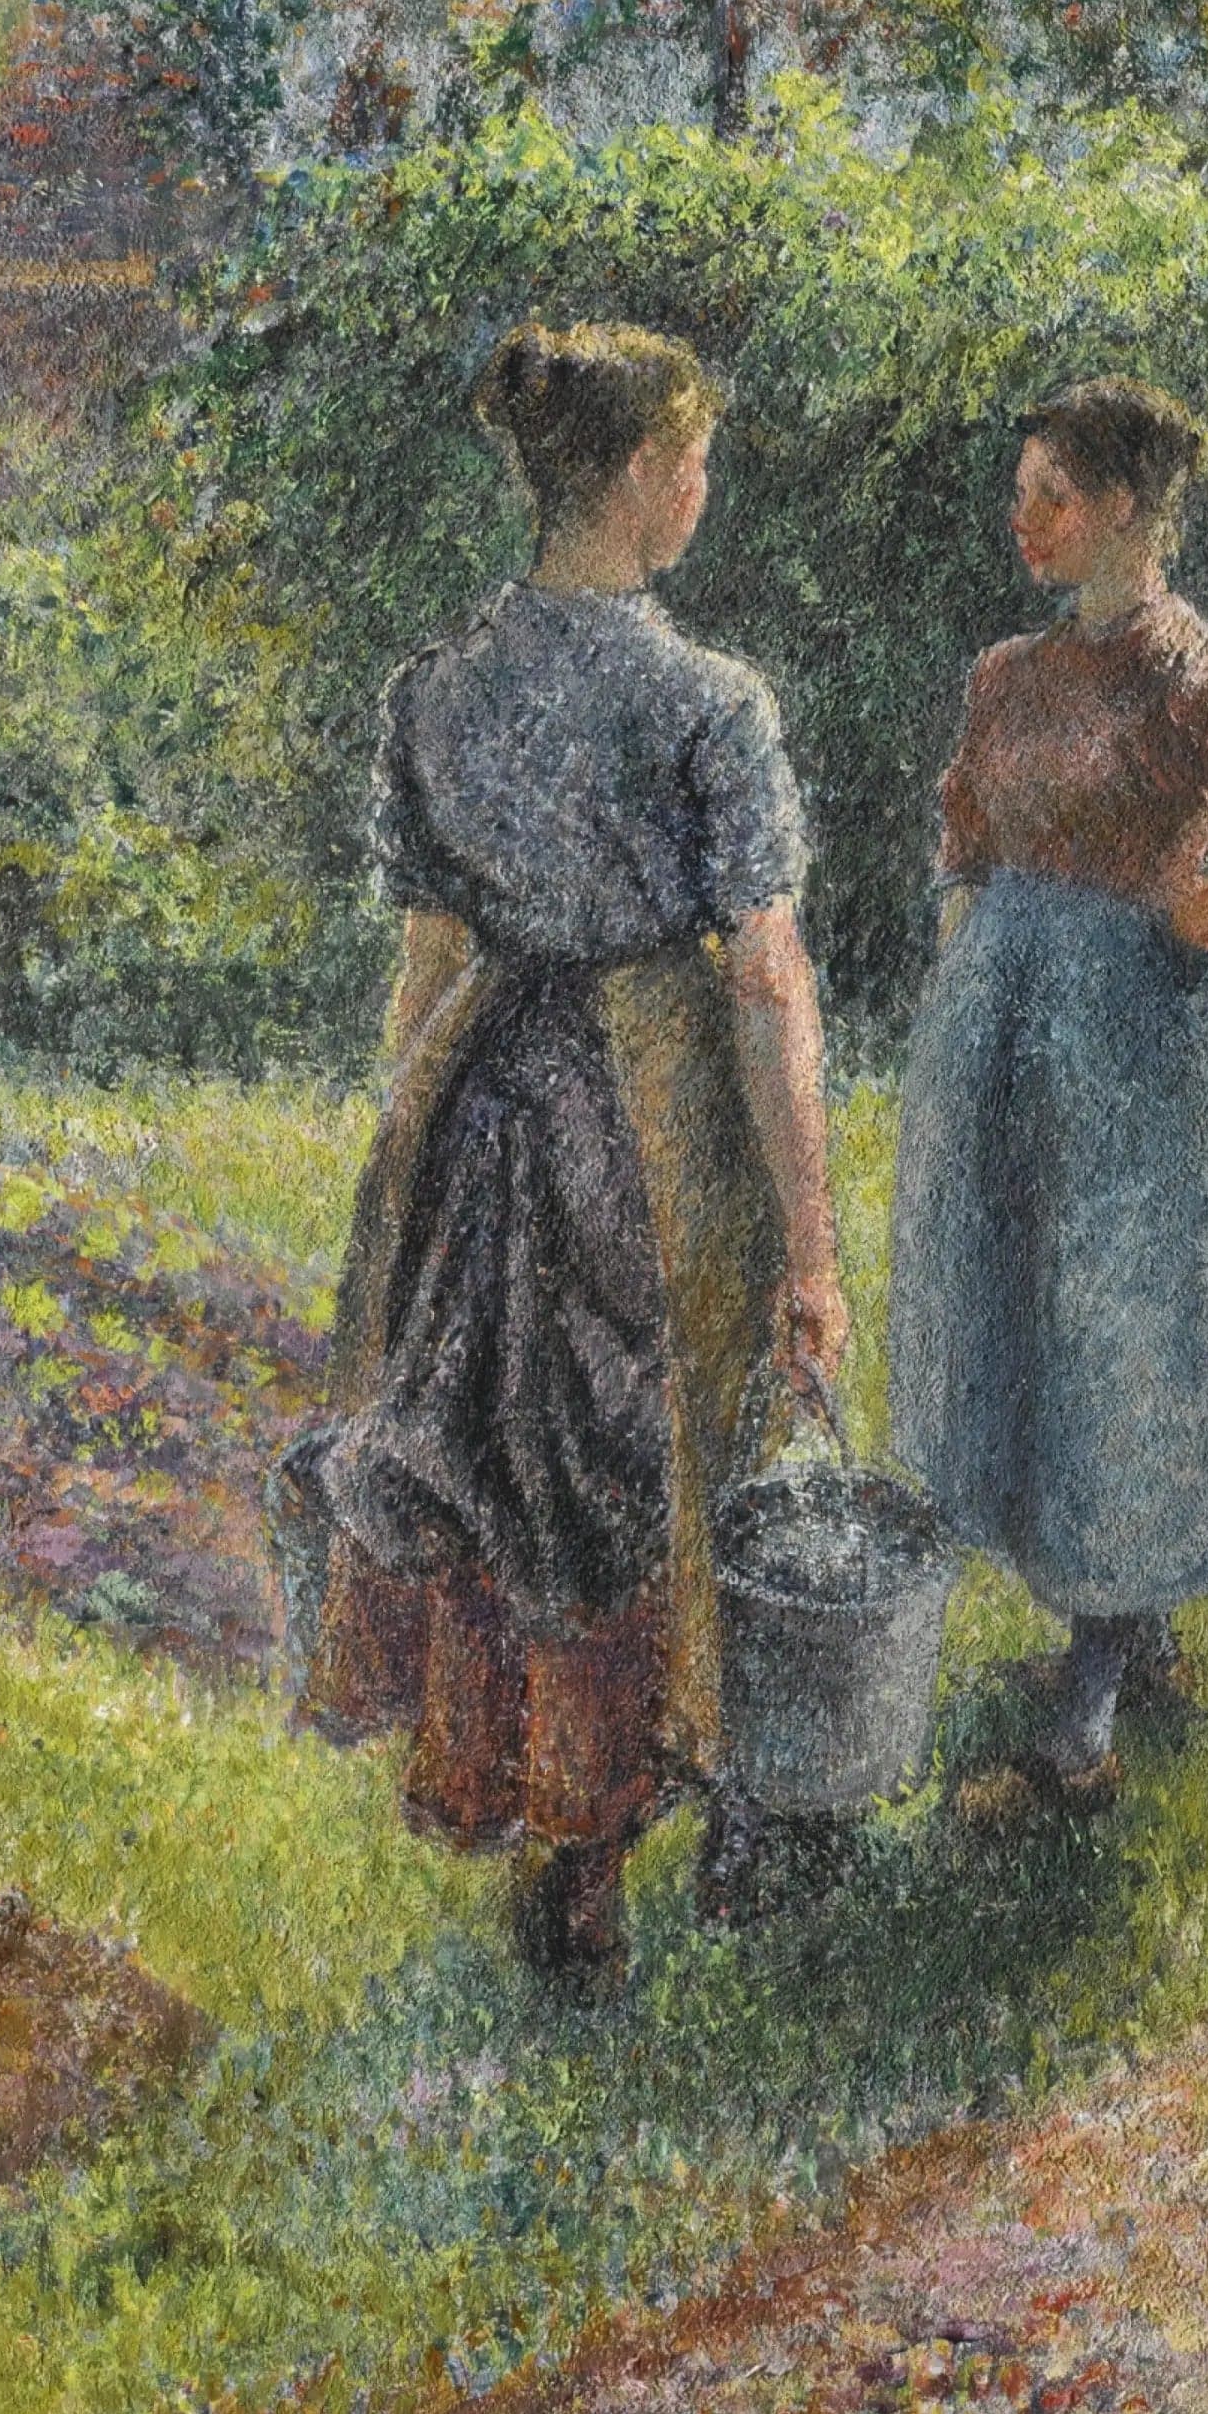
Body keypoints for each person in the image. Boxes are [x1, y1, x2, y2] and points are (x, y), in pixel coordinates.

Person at [289, 321, 848, 1995]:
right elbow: (764, 976)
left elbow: (423, 964)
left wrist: (413, 1172)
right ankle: (656, 1818)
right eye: (690, 461)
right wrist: (813, 1250)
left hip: (482, 1103)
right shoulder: (703, 701)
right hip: (650, 1111)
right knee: (662, 1451)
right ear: (627, 482)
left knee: (511, 1456)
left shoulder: (436, 690)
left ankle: (565, 1823)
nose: (703, 487)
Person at [888, 378, 1208, 1792]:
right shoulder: (1005, 677)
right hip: (1000, 1023)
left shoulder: (1189, 669)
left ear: (1127, 513)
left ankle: (1088, 1711)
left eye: (1054, 496)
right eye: (1020, 492)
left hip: (1137, 1041)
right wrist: (963, 975)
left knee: (1125, 1331)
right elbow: (960, 840)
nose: (1024, 521)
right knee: (1010, 1313)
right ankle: (1123, 1633)